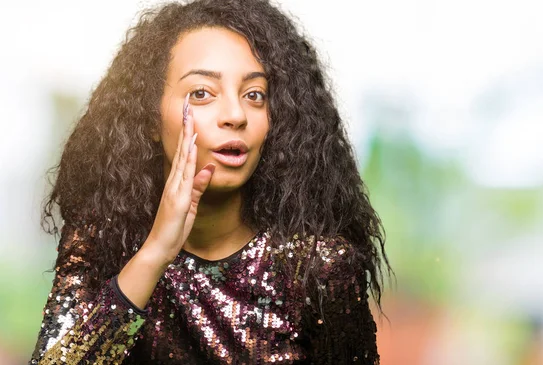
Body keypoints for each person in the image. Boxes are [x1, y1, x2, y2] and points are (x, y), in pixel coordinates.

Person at [30, 0, 392, 363]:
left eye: (254, 95)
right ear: (151, 119)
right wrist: (154, 253)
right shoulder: (102, 243)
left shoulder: (318, 268)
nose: (235, 115)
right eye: (201, 93)